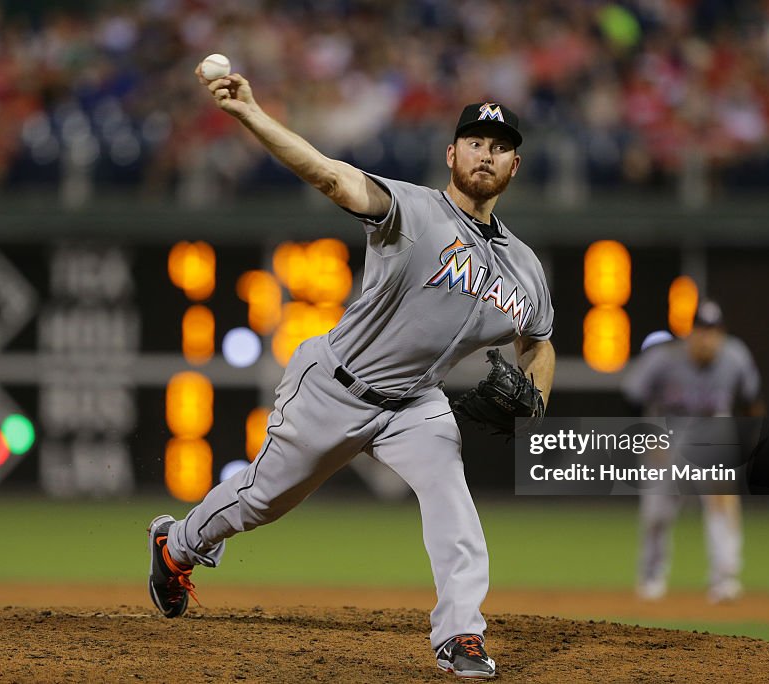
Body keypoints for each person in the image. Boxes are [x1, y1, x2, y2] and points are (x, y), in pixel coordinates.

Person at [146, 65, 556, 679]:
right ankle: (176, 545)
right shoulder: (411, 211)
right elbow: (328, 173)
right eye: (475, 141)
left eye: (500, 148)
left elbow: (540, 342)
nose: (486, 154)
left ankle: (461, 637)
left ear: (513, 167)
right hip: (335, 385)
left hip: (415, 404)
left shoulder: (523, 267)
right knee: (263, 500)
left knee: (452, 503)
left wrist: (536, 399)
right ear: (451, 153)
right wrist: (249, 114)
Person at [621, 300, 764, 603]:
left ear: (721, 334)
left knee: (723, 504)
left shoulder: (735, 357)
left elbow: (752, 402)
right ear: (691, 333)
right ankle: (651, 577)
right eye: (701, 330)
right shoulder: (664, 358)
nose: (707, 338)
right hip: (667, 432)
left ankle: (724, 579)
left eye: (713, 331)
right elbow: (632, 395)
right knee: (657, 513)